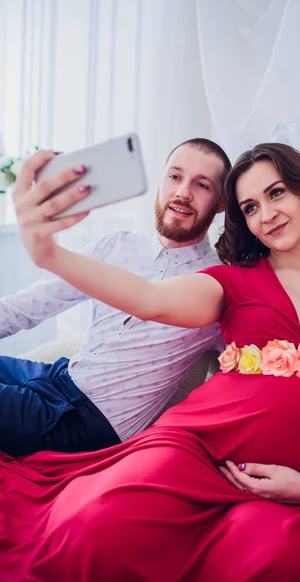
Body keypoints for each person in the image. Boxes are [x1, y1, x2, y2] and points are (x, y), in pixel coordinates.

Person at [2, 143, 300, 582]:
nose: (266, 214)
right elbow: (150, 301)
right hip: (195, 444)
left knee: (275, 563)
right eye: (250, 206)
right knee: (87, 532)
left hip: (297, 480)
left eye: (276, 193)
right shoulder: (229, 281)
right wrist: (49, 254)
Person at [0, 138, 231, 457]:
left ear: (220, 203)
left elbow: (237, 379)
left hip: (89, 423)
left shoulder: (219, 284)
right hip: (60, 378)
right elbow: (28, 306)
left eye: (202, 185)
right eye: (175, 176)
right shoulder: (116, 246)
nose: (183, 192)